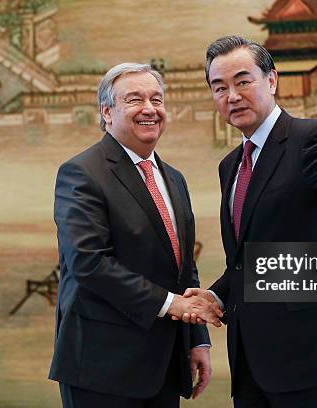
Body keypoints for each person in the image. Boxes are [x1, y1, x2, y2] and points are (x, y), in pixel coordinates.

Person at [183, 35, 317, 407]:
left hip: (307, 357)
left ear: (271, 80)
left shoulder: (311, 138)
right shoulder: (230, 165)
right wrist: (215, 295)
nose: (232, 95)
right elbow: (250, 259)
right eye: (219, 87)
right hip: (248, 361)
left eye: (243, 81)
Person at [48, 62, 222, 407]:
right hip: (102, 366)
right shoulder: (81, 173)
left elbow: (183, 268)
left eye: (157, 100)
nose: (149, 109)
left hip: (165, 366)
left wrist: (196, 340)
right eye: (134, 99)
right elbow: (89, 262)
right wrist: (173, 304)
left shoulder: (174, 179)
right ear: (107, 112)